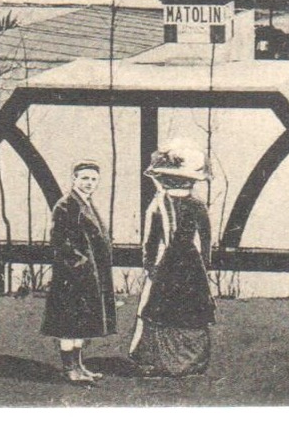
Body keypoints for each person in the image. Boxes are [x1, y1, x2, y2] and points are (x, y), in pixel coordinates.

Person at [130, 140, 215, 377]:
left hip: (168, 264)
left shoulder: (159, 205)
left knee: (161, 310)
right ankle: (188, 362)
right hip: (191, 265)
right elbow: (206, 240)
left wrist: (149, 265)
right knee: (189, 311)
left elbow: (149, 241)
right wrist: (205, 264)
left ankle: (163, 362)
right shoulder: (197, 205)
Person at [42, 160, 116, 384]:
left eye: (93, 179)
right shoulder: (66, 205)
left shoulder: (87, 204)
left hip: (89, 276)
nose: (89, 183)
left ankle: (80, 366)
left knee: (81, 324)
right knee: (69, 325)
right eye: (84, 178)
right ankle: (70, 369)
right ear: (74, 179)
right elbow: (60, 241)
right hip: (72, 276)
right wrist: (80, 264)